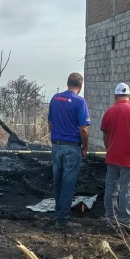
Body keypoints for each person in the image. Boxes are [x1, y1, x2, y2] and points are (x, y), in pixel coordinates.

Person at [48, 72, 91, 230]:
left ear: (67, 83)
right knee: (68, 184)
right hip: (72, 147)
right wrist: (85, 148)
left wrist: (55, 139)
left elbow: (50, 123)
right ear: (80, 86)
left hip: (56, 145)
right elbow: (84, 129)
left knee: (57, 182)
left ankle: (58, 214)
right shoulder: (80, 102)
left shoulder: (55, 98)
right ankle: (63, 220)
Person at [100, 82, 130, 228]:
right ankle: (124, 222)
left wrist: (109, 149)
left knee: (111, 188)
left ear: (115, 96)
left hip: (112, 156)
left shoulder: (109, 112)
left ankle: (110, 218)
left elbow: (105, 136)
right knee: (127, 190)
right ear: (129, 96)